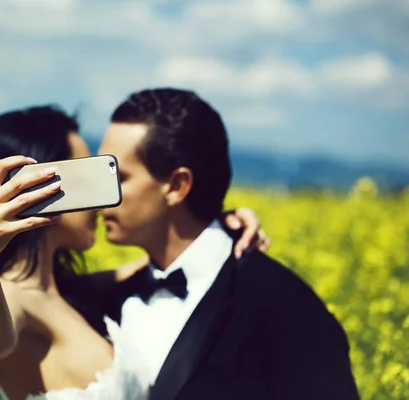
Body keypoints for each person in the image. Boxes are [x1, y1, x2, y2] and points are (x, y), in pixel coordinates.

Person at [0, 105, 269, 400]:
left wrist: (216, 226)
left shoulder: (67, 291)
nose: (102, 202)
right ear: (35, 190)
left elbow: (174, 263)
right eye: (85, 178)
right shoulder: (11, 296)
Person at [92, 88, 361, 399]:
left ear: (177, 186)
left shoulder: (285, 305)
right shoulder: (107, 296)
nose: (102, 196)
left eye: (117, 177)